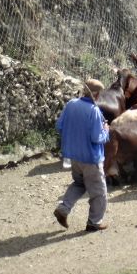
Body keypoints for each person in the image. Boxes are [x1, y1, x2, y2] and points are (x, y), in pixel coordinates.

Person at [53, 78, 111, 232]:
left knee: (79, 184)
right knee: (99, 192)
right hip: (91, 159)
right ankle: (94, 222)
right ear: (97, 95)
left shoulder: (71, 104)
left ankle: (63, 208)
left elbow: (59, 126)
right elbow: (96, 138)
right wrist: (106, 130)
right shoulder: (95, 111)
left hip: (73, 156)